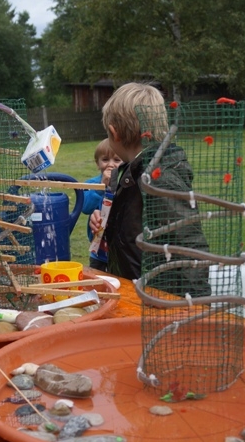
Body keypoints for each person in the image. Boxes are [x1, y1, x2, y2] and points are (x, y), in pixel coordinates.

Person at [89, 82, 211, 297]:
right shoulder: (128, 173)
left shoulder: (160, 177)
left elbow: (190, 247)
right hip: (129, 286)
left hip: (158, 299)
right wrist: (104, 222)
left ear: (113, 133)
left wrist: (195, 310)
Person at [81, 138, 122, 271]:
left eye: (117, 160)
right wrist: (101, 187)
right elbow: (86, 207)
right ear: (97, 163)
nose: (111, 165)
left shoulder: (125, 183)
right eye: (105, 160)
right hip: (98, 251)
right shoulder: (91, 184)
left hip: (119, 250)